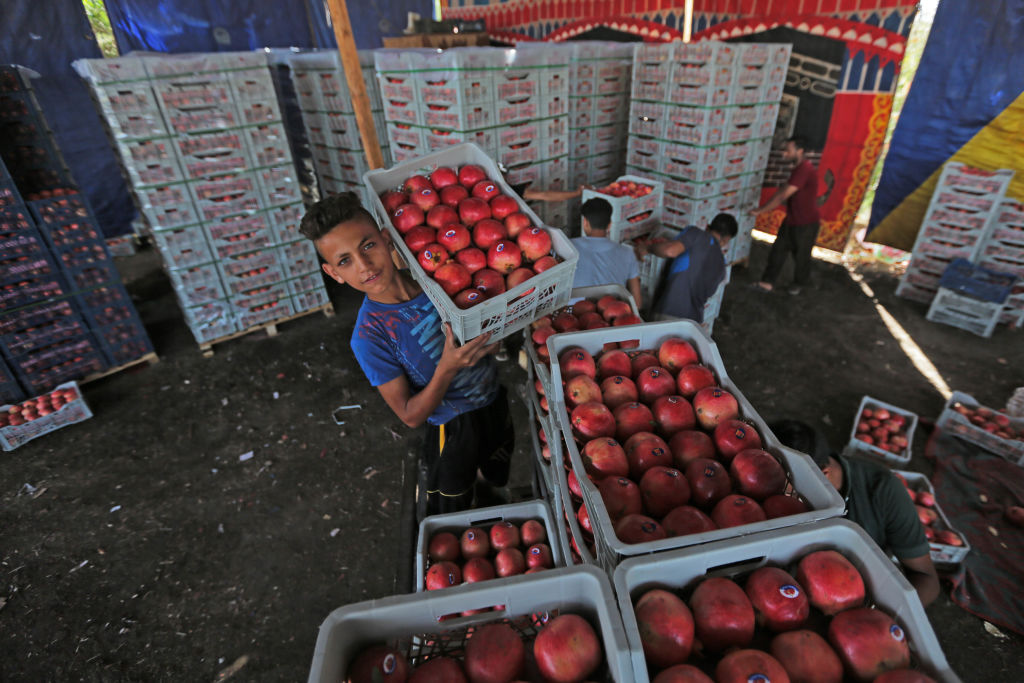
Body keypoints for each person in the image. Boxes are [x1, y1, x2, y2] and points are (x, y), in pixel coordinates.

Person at [299, 191, 514, 519]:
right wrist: (447, 368)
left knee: (496, 474)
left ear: (387, 240)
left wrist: (491, 340)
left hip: (493, 400)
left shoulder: (439, 280)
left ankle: (492, 501)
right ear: (334, 273)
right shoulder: (369, 336)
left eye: (368, 246)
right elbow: (410, 415)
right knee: (454, 509)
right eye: (345, 261)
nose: (364, 266)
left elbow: (481, 327)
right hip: (452, 430)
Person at [770, 420, 941, 607]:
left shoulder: (883, 490)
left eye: (788, 491)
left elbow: (926, 578)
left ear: (823, 474)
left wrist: (881, 617)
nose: (780, 497)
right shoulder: (775, 492)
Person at [636, 212, 737, 323]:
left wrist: (647, 248)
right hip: (694, 322)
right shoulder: (722, 265)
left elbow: (669, 250)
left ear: (707, 227)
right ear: (727, 239)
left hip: (670, 312)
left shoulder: (697, 234)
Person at [751, 137, 821, 295]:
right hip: (791, 220)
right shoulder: (798, 169)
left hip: (806, 223)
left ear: (799, 151)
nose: (784, 153)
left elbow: (782, 196)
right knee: (777, 251)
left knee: (801, 257)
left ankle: (800, 284)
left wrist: (760, 210)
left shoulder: (805, 169)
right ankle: (766, 283)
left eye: (787, 150)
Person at [570, 197, 644, 307]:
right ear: (609, 224)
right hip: (611, 316)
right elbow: (637, 303)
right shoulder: (627, 252)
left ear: (585, 222)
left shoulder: (569, 247)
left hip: (572, 316)